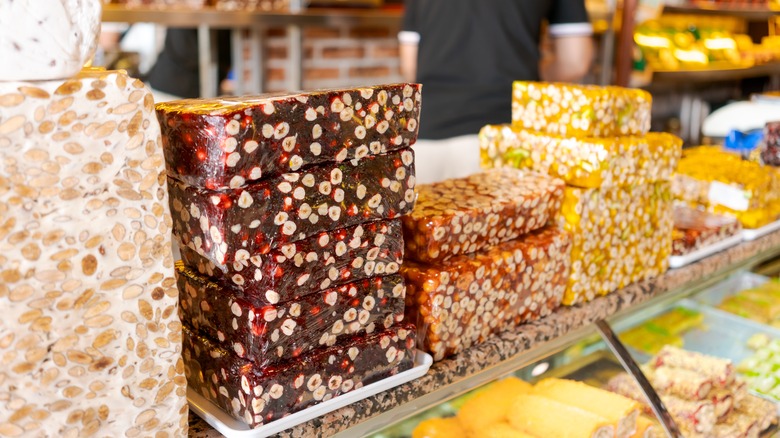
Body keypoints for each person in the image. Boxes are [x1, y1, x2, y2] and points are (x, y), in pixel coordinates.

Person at [399, 0, 595, 184]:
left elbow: (410, 65)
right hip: (502, 141)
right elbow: (575, 60)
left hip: (422, 141)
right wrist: (527, 79)